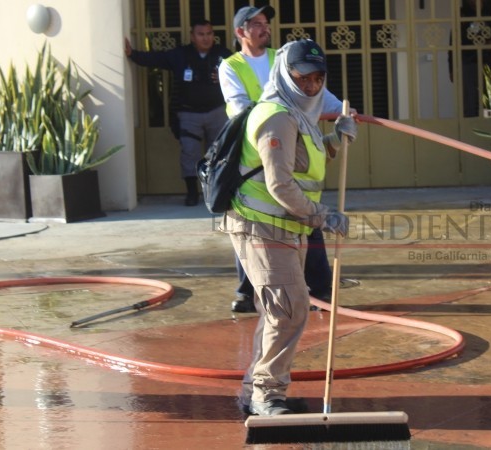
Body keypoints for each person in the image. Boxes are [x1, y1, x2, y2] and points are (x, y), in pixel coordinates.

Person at [218, 39, 357, 416]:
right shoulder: (276, 115)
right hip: (260, 226)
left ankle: (256, 391)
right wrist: (322, 215)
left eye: (318, 79)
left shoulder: (298, 115)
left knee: (278, 309)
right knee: (290, 309)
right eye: (302, 78)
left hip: (284, 227)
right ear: (285, 74)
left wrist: (334, 139)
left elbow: (301, 160)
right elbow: (280, 183)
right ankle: (267, 395)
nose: (311, 86)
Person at [219, 5, 347, 313]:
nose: (265, 28)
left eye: (266, 23)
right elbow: (238, 106)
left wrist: (343, 114)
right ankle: (248, 292)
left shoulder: (285, 56)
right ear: (241, 32)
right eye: (257, 24)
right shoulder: (232, 66)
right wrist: (276, 118)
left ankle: (318, 291)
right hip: (259, 145)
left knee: (303, 213)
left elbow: (319, 94)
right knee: (254, 224)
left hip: (295, 139)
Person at [125, 19, 233, 206]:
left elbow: (242, 71)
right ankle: (192, 193)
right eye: (201, 34)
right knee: (189, 154)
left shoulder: (224, 55)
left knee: (218, 155)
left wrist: (224, 76)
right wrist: (132, 54)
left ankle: (216, 193)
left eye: (209, 33)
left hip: (217, 112)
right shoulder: (180, 55)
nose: (206, 38)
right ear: (192, 36)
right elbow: (154, 59)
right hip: (188, 114)